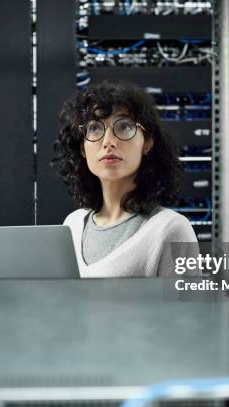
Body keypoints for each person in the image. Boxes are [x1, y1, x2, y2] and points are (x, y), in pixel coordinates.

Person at [52, 82, 199, 278]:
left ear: (147, 143)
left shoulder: (171, 229)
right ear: (82, 148)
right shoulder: (73, 224)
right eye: (94, 128)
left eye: (124, 127)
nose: (108, 142)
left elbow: (188, 309)